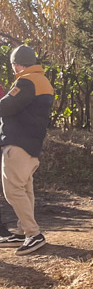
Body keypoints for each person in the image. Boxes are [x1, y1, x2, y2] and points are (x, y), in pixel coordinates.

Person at [0, 46, 54, 255]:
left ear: (17, 63)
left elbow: (6, 107)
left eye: (13, 64)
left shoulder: (26, 81)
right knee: (25, 189)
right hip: (31, 144)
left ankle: (33, 234)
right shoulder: (42, 80)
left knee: (12, 190)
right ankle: (24, 232)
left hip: (18, 144)